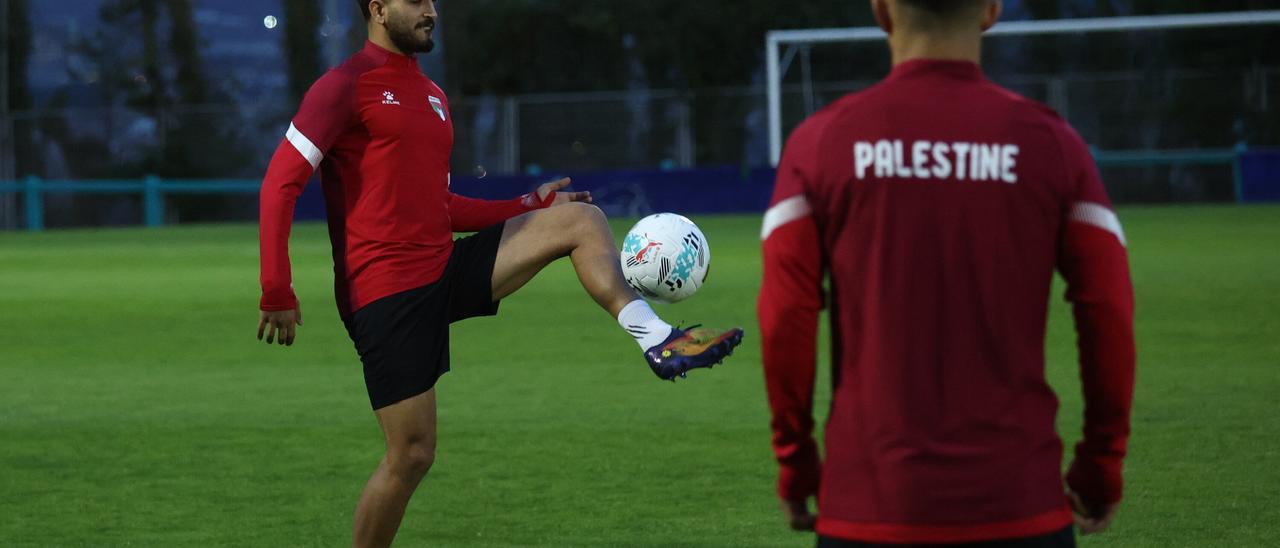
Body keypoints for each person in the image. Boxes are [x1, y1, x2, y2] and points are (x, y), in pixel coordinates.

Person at [256, 1, 744, 545]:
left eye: (431, 1)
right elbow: (280, 182)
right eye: (414, 1)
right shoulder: (344, 85)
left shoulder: (434, 97)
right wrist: (277, 287)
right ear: (376, 9)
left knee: (579, 220)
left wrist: (524, 205)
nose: (430, 11)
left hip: (443, 264)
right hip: (385, 292)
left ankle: (658, 341)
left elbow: (439, 207)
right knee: (412, 454)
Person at [758, 0, 1136, 546]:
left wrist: (795, 460)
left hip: (870, 507)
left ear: (882, 11)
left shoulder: (821, 144)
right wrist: (1101, 462)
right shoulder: (1053, 145)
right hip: (1020, 505)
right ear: (991, 10)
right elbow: (1108, 308)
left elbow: (785, 318)